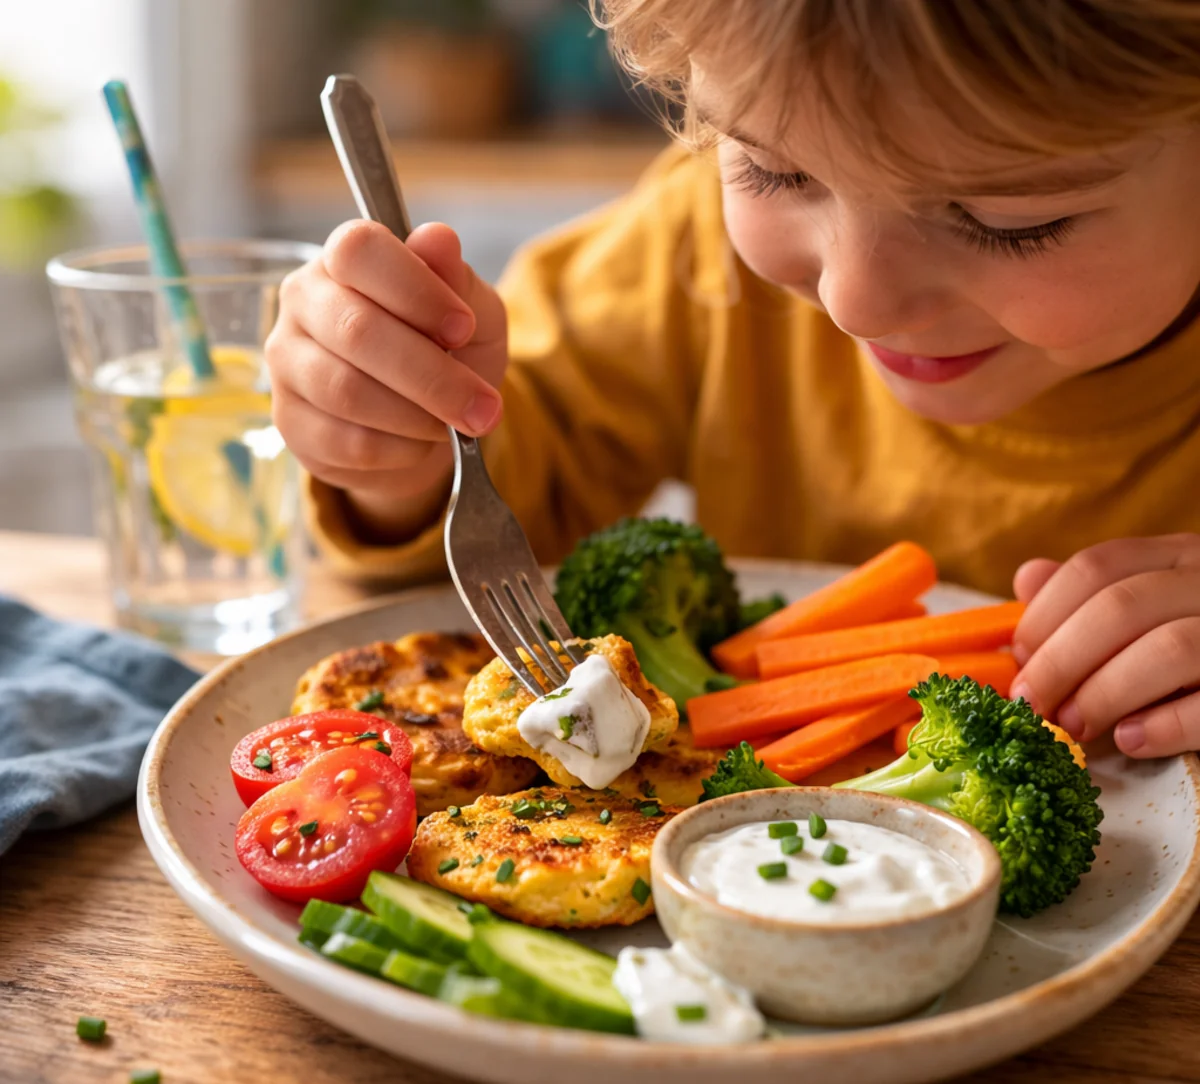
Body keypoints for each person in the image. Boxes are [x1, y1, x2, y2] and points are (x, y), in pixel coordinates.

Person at [266, 0, 1200, 759]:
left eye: (1010, 222)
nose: (855, 302)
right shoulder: (687, 256)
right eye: (774, 172)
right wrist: (403, 446)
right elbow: (506, 488)